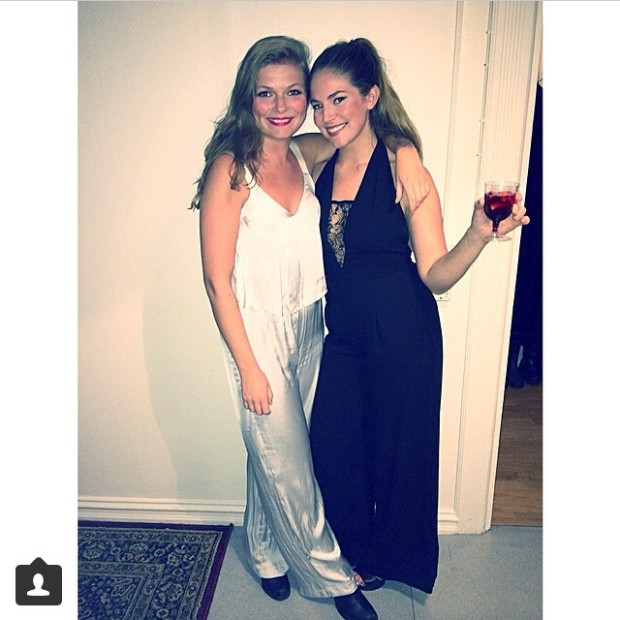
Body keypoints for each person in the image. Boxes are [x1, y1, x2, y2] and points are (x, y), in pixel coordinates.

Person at [191, 35, 427, 620]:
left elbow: (369, 135)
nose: (282, 105)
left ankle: (265, 549)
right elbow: (217, 281)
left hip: (313, 325)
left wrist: (406, 151)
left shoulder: (304, 152)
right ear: (247, 97)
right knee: (291, 467)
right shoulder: (231, 168)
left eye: (294, 92)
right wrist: (248, 367)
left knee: (277, 451)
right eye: (266, 93)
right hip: (257, 333)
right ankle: (334, 580)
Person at [307, 38, 530, 595]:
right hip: (345, 333)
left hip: (403, 330)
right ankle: (352, 546)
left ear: (370, 96)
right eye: (317, 103)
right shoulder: (321, 159)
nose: (326, 115)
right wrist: (400, 139)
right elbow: (278, 140)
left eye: (339, 99)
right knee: (334, 444)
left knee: (398, 453)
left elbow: (435, 274)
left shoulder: (404, 171)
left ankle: (385, 560)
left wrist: (479, 234)